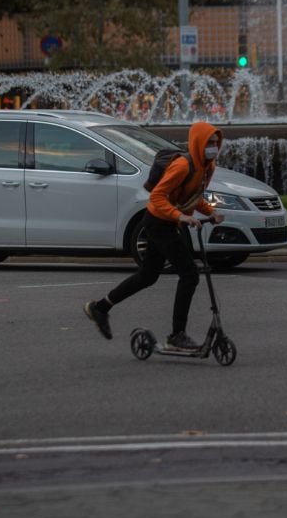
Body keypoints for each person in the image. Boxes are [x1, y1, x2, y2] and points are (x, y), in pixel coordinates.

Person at [84, 121, 226, 350]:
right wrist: (180, 216)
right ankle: (177, 335)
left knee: (148, 276)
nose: (213, 147)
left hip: (169, 223)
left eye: (216, 143)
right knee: (189, 274)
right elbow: (157, 197)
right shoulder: (181, 165)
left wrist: (211, 212)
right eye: (209, 142)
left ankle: (100, 308)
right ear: (198, 142)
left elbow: (193, 195)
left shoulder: (208, 167)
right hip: (157, 222)